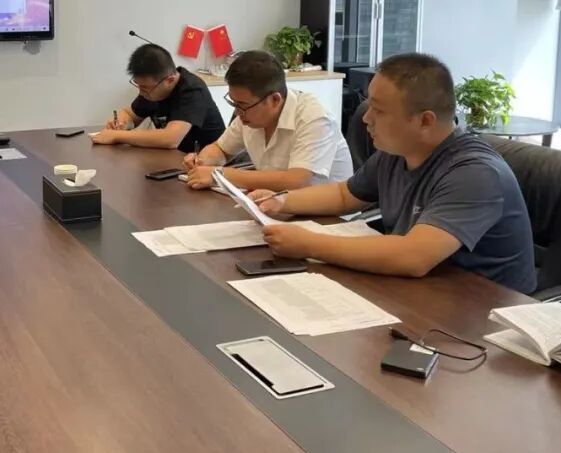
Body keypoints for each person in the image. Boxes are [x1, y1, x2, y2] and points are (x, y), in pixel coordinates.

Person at [251, 53, 536, 293]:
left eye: (378, 110)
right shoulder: (397, 151)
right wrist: (282, 200)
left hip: (481, 310)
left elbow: (413, 256)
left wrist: (308, 244)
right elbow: (344, 194)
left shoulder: (475, 174)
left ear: (425, 121)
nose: (366, 118)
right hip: (421, 291)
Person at [182, 50, 353, 191]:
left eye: (242, 105)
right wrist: (202, 161)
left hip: (327, 216)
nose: (238, 112)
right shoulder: (249, 114)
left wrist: (220, 175)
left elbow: (297, 181)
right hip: (276, 205)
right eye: (234, 103)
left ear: (275, 100)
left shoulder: (313, 117)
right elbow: (221, 149)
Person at [94, 43, 225, 150]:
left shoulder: (192, 90)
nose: (141, 93)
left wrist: (117, 135)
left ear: (169, 80)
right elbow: (130, 114)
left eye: (145, 88)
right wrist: (122, 122)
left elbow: (170, 139)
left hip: (208, 164)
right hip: (175, 159)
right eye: (138, 86)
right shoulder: (153, 90)